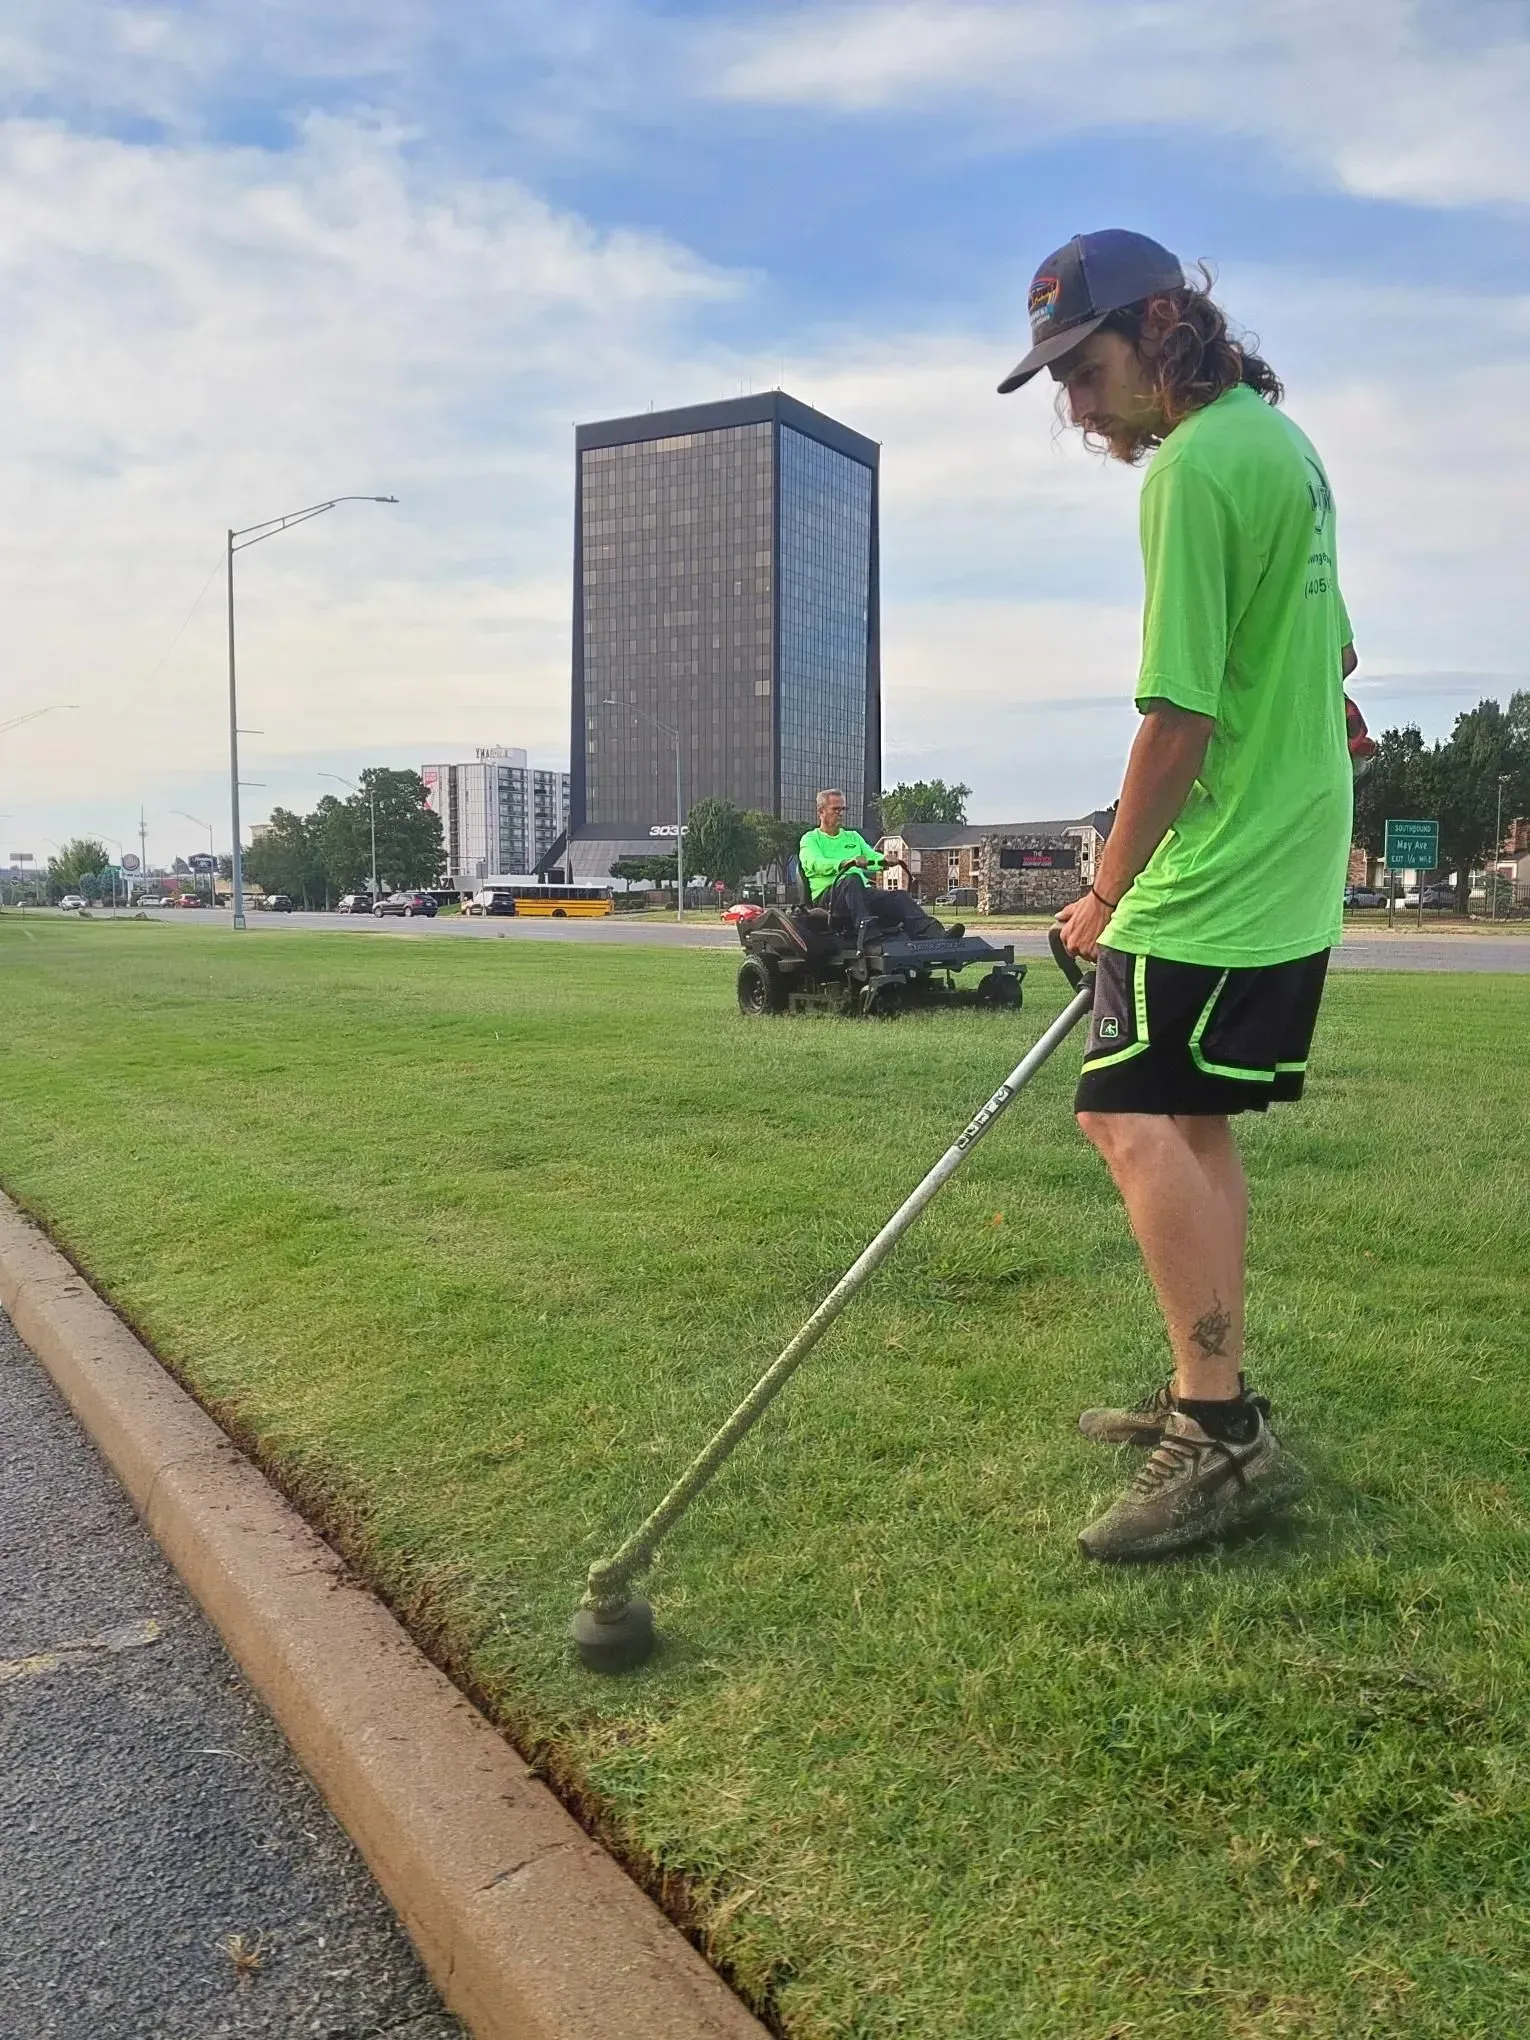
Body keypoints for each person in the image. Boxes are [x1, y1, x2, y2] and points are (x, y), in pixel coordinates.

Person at [998, 230, 1356, 1561]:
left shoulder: (1196, 467)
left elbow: (1175, 718)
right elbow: (1333, 645)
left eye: (1082, 371)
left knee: (1125, 1115)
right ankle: (1212, 1396)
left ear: (1158, 332)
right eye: (1055, 385)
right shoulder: (1280, 443)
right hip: (1285, 840)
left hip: (1222, 858)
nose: (1073, 408)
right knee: (1185, 1115)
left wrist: (1102, 889)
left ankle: (1215, 1437)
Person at [798, 790, 961, 943]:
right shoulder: (811, 839)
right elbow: (814, 863)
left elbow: (871, 857)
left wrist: (884, 860)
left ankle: (935, 934)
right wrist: (844, 863)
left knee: (899, 896)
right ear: (821, 812)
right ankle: (868, 934)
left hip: (859, 893)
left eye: (843, 809)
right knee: (852, 878)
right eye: (836, 809)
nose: (840, 813)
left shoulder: (853, 837)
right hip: (829, 897)